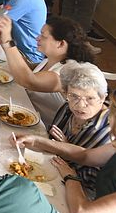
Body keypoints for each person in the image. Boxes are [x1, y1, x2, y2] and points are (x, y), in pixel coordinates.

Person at [14, 61, 110, 195]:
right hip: (49, 169)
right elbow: (50, 138)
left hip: (80, 191)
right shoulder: (68, 109)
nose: (81, 105)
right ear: (65, 93)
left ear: (102, 97)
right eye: (74, 96)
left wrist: (64, 148)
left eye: (90, 98)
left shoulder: (107, 130)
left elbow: (91, 179)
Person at [0, 15, 95, 123]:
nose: (37, 38)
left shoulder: (66, 72)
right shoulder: (51, 59)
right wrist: (2, 41)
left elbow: (29, 81)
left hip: (44, 128)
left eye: (43, 36)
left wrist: (8, 41)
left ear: (61, 43)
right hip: (28, 113)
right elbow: (27, 69)